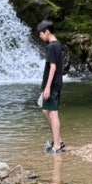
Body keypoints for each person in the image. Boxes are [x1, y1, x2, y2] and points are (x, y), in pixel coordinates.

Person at [37, 19, 65, 152]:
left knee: (53, 113)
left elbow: (52, 67)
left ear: (47, 32)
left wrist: (47, 87)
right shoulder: (57, 44)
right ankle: (58, 140)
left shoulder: (50, 47)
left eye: (41, 33)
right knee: (45, 110)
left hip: (52, 85)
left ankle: (57, 146)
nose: (40, 36)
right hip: (55, 84)